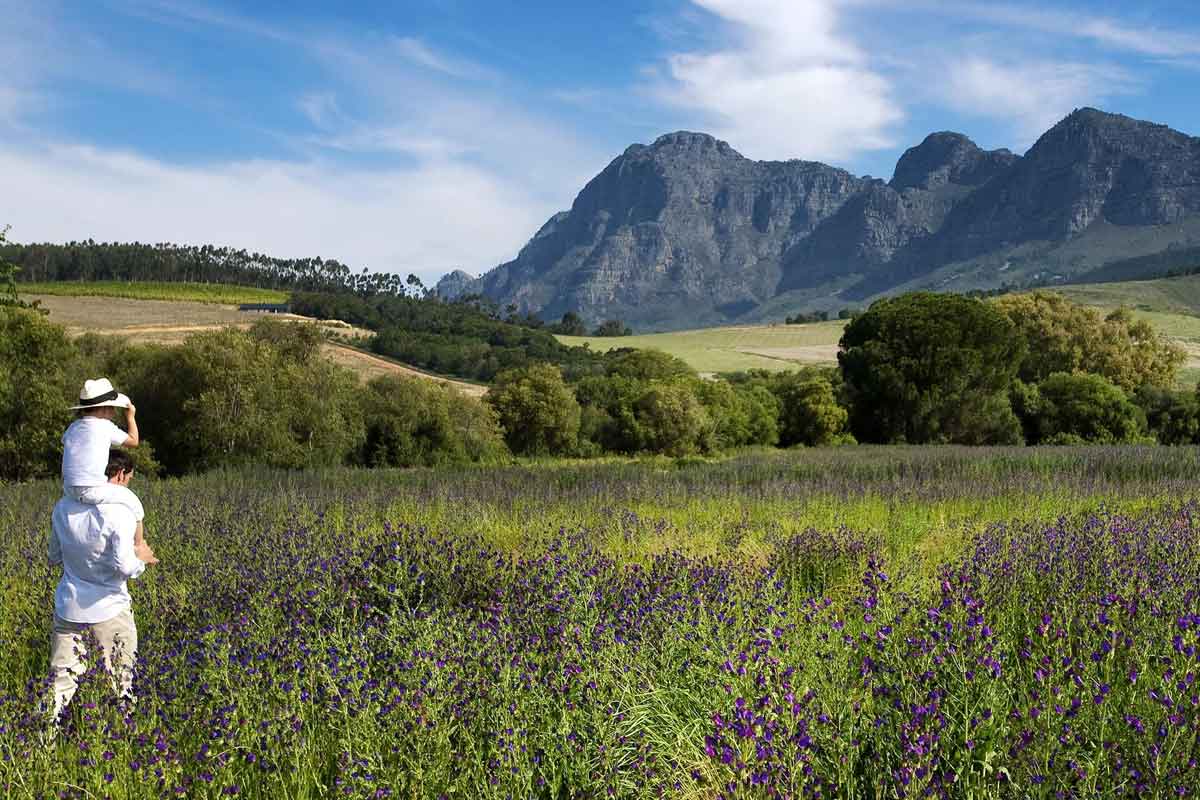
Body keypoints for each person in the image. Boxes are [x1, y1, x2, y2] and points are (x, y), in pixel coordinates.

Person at [48, 450, 158, 719]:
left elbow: (53, 556)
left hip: (68, 609)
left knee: (59, 686)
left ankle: (40, 744)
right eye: (129, 477)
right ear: (120, 475)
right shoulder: (120, 512)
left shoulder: (63, 506)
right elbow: (125, 566)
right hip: (110, 608)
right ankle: (123, 744)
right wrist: (141, 559)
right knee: (121, 682)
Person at [62, 377, 148, 548]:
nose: (114, 413)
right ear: (105, 409)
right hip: (93, 487)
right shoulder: (104, 426)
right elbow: (134, 441)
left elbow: (66, 443)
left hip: (68, 489)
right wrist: (130, 416)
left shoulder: (72, 428)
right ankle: (139, 547)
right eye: (113, 409)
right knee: (134, 504)